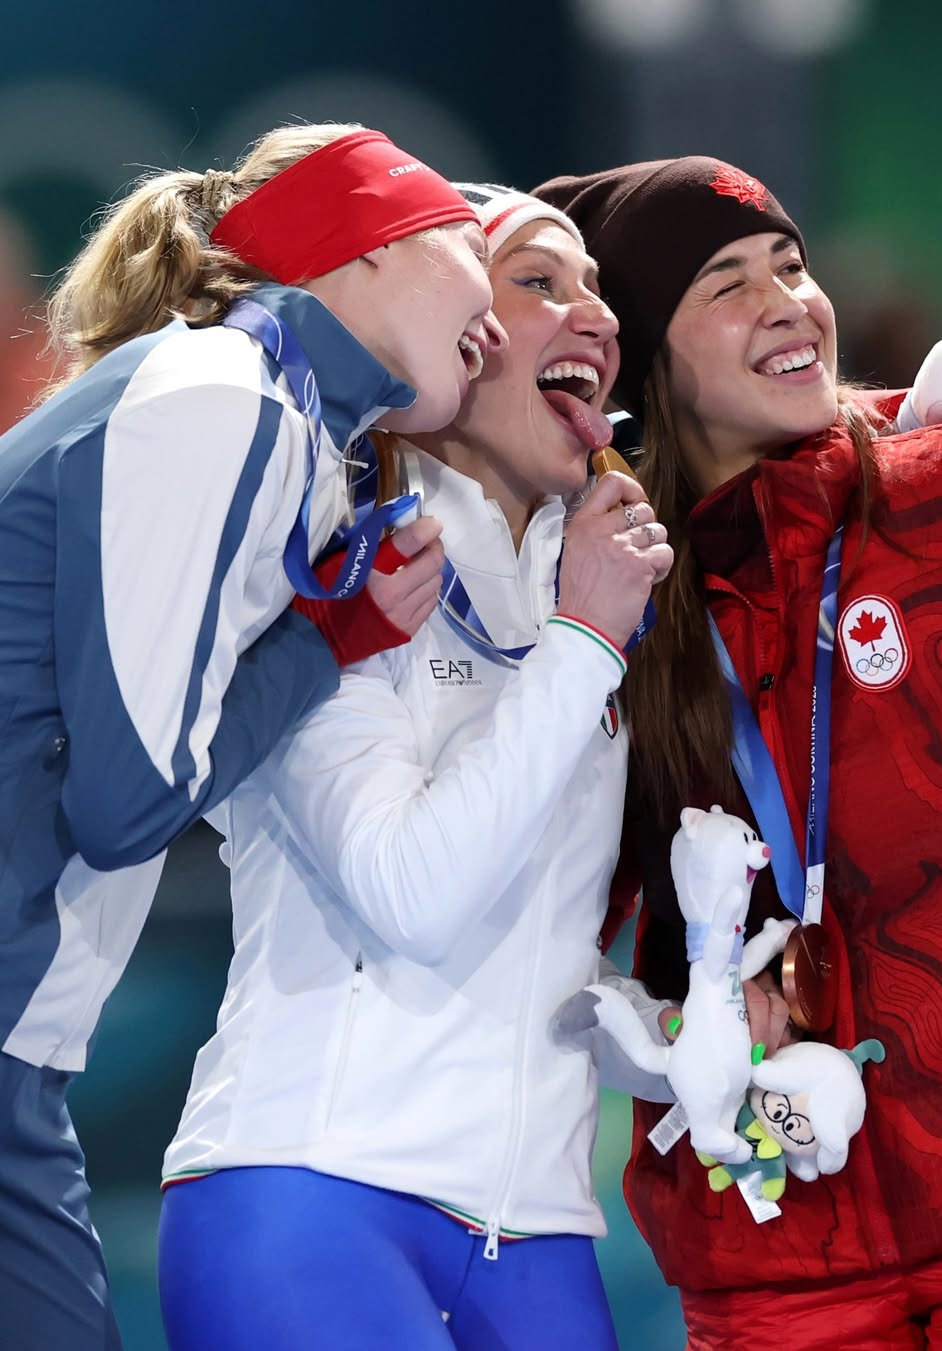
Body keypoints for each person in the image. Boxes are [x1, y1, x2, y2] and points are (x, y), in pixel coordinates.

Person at [535, 156, 942, 1349]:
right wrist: (683, 1022)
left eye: (791, 264)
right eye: (727, 283)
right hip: (774, 1241)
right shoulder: (605, 600)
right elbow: (549, 910)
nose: (788, 300)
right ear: (647, 357)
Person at [0, 120, 507, 1351]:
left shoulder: (264, 418)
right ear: (367, 244)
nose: (493, 310)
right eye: (462, 239)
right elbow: (132, 802)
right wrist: (327, 649)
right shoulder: (222, 399)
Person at [156, 184, 674, 1351]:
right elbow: (413, 894)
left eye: (598, 294)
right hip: (311, 1196)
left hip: (537, 1233)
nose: (594, 318)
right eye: (541, 282)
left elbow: (537, 932)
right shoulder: (328, 556)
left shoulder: (593, 580)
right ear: (444, 337)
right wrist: (583, 642)